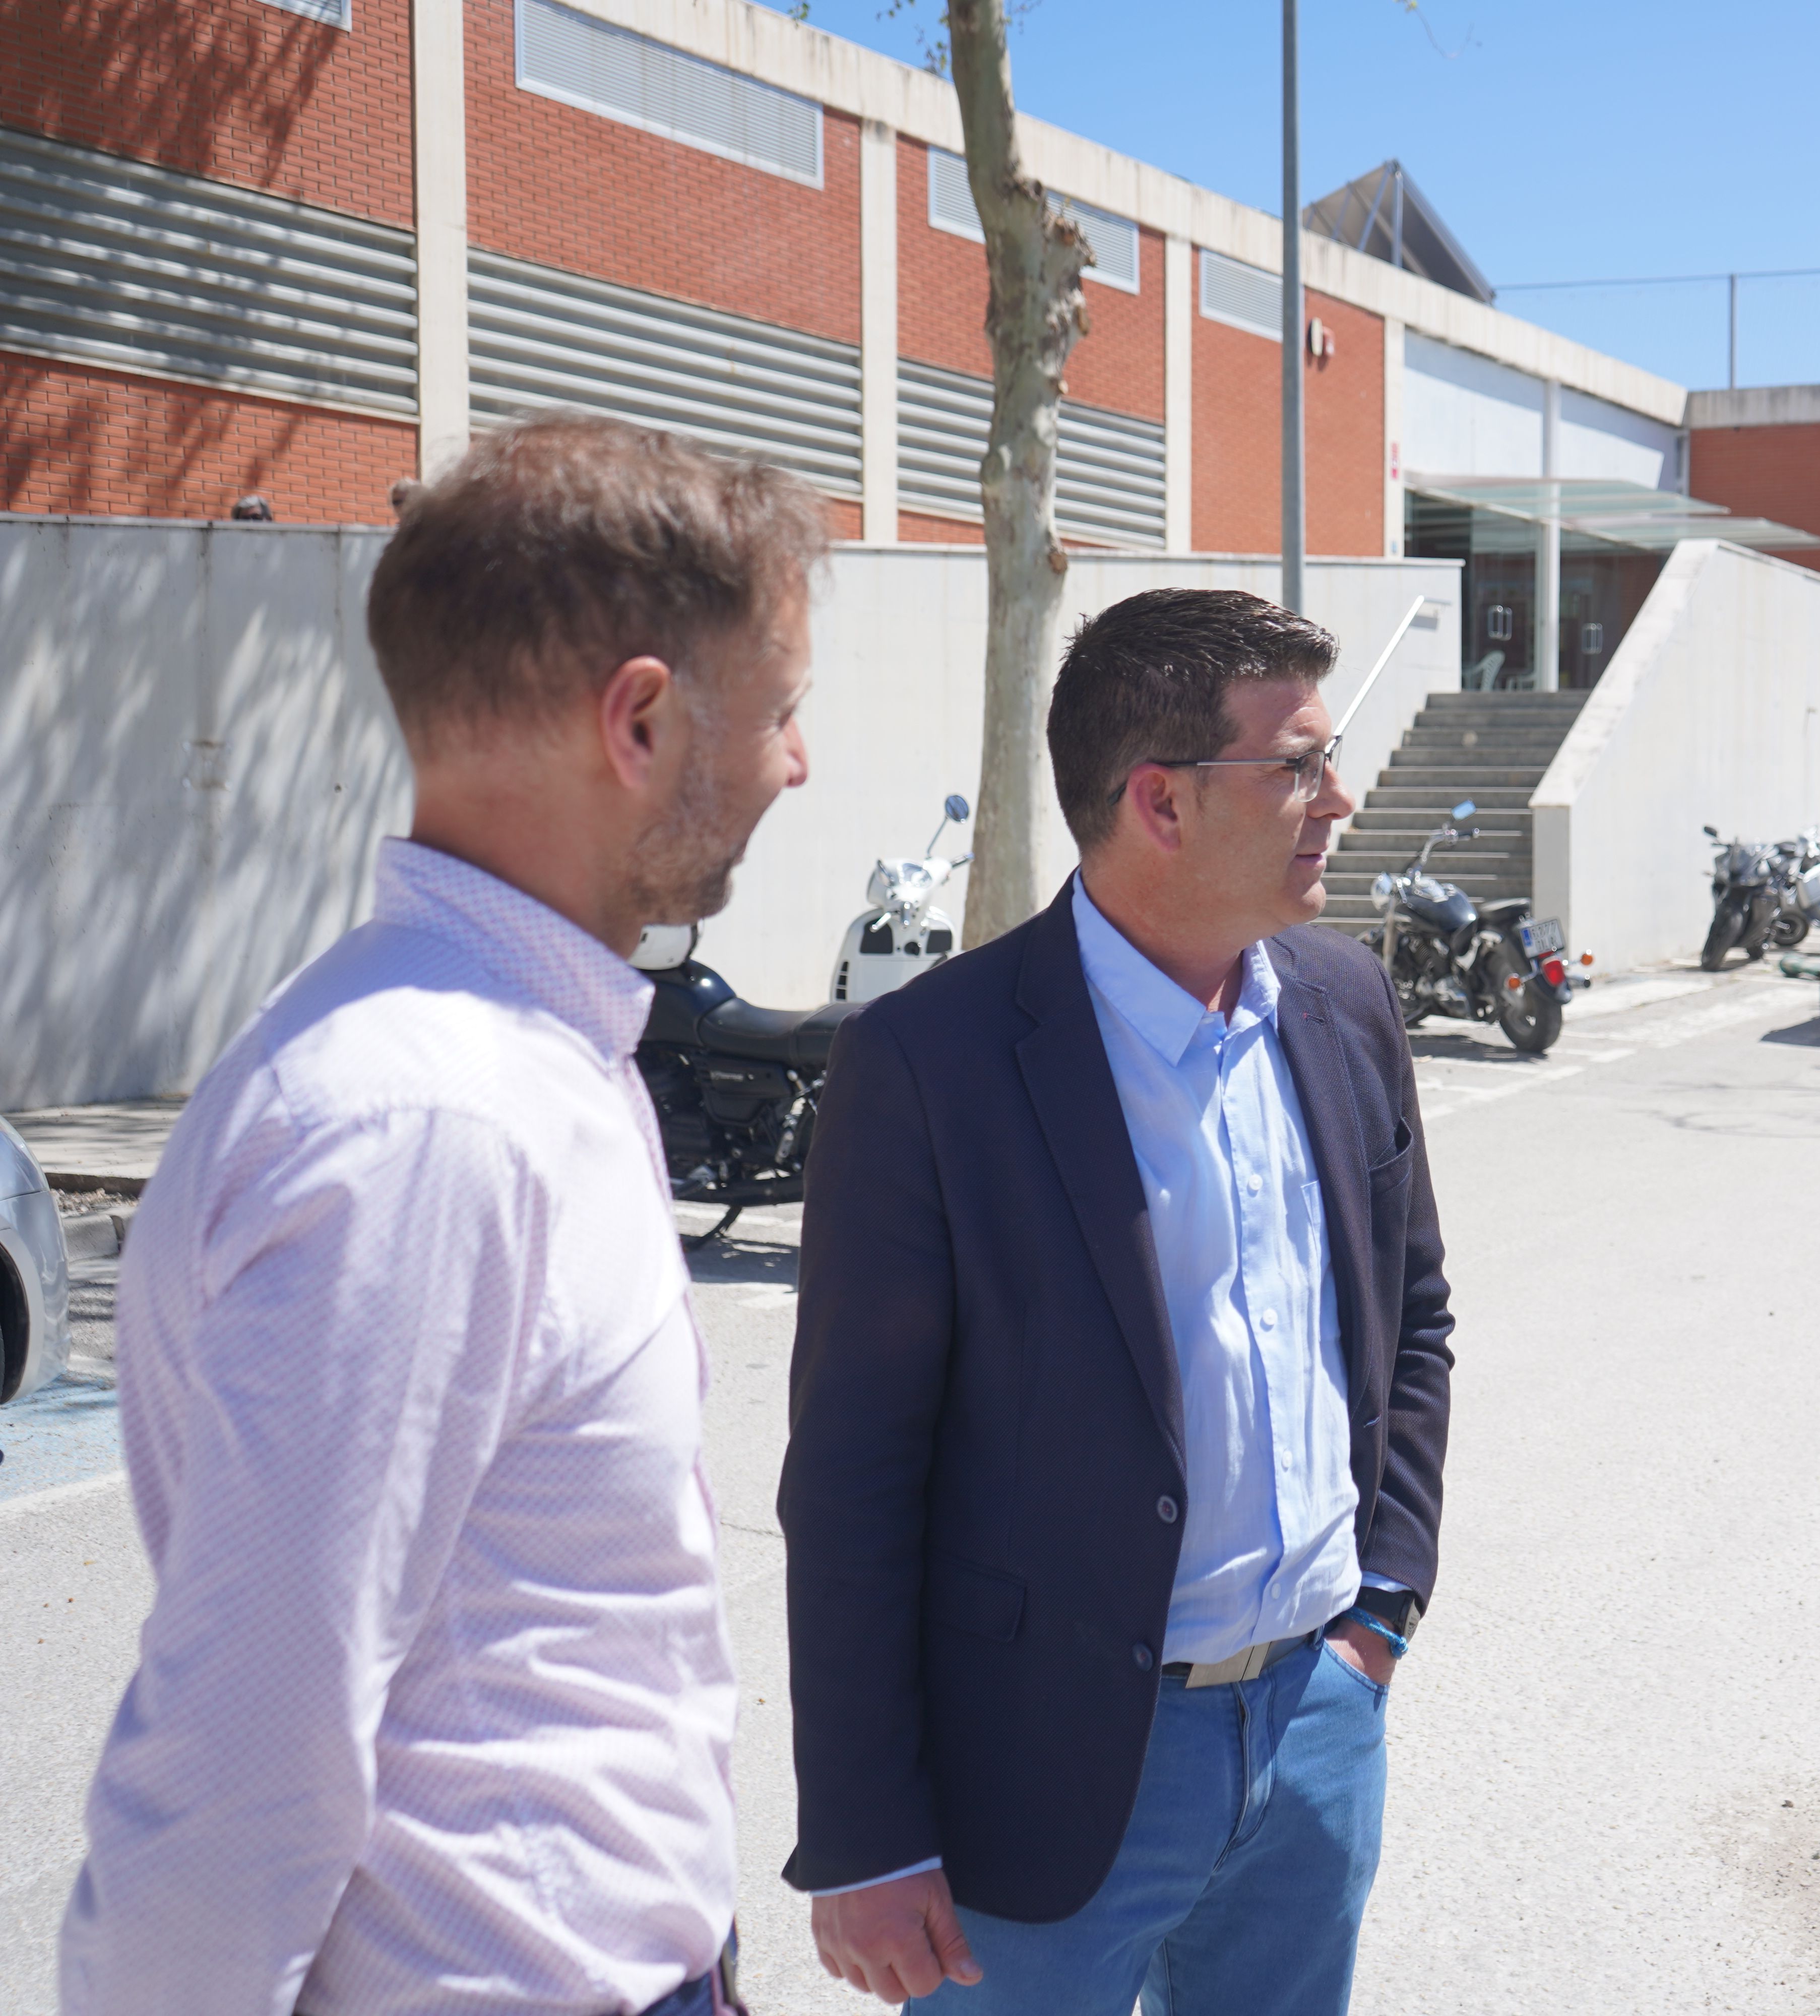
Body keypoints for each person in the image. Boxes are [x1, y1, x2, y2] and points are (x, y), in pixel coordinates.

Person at [61, 413, 825, 2014]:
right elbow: (236, 1772)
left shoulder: (515, 1053)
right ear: (641, 721)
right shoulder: (436, 1125)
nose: (796, 764)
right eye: (781, 712)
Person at [779, 587, 1454, 2013]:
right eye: (1299, 765)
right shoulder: (931, 1066)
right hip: (1042, 1779)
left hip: (1316, 1731)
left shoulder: (1343, 1003)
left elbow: (1413, 1317)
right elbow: (853, 1477)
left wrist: (1378, 1611)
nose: (1337, 797)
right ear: (1159, 799)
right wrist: (867, 1834)